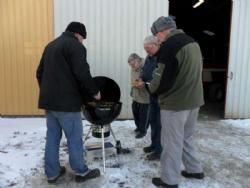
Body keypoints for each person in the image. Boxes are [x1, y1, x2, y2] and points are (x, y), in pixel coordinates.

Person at [36, 21, 102, 184]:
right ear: (78, 34)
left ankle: (52, 173)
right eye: (83, 38)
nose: (82, 42)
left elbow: (39, 73)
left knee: (52, 137)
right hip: (67, 104)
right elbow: (82, 72)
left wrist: (48, 92)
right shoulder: (75, 46)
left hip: (50, 103)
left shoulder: (50, 46)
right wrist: (94, 91)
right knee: (74, 138)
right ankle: (81, 171)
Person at [146, 16, 205, 188]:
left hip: (176, 104)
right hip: (194, 100)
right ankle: (195, 169)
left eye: (156, 35)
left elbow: (160, 78)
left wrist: (150, 88)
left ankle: (169, 180)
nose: (156, 39)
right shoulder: (192, 42)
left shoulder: (170, 46)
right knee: (186, 137)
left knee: (172, 142)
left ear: (163, 31)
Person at [140, 35, 162, 160]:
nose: (146, 52)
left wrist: (145, 83)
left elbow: (160, 78)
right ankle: (154, 145)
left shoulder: (161, 58)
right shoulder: (149, 57)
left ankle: (159, 150)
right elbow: (145, 71)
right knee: (153, 121)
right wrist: (141, 79)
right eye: (145, 49)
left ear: (156, 45)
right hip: (151, 94)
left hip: (160, 96)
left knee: (160, 124)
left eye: (148, 49)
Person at [128, 53, 150, 139]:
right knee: (135, 111)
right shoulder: (133, 68)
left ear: (138, 60)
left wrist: (143, 84)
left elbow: (151, 80)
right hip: (135, 94)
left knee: (144, 114)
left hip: (145, 96)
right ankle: (138, 127)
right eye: (130, 65)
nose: (131, 67)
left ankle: (143, 131)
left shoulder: (146, 67)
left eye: (133, 64)